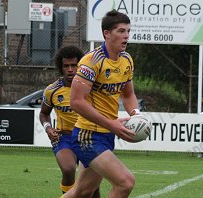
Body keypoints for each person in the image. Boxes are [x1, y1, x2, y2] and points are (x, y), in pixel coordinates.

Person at [62, 10, 140, 198]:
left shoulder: (126, 60)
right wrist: (111, 124)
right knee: (126, 182)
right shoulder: (91, 62)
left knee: (82, 192)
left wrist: (136, 114)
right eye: (121, 31)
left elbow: (128, 94)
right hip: (87, 135)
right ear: (107, 33)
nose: (126, 36)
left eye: (128, 31)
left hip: (106, 136)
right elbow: (76, 102)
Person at [39, 46, 100, 197]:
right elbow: (43, 113)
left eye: (74, 65)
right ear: (61, 67)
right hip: (64, 138)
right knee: (68, 169)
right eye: (66, 66)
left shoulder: (91, 88)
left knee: (93, 187)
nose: (70, 69)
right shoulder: (52, 90)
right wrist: (48, 128)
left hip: (87, 137)